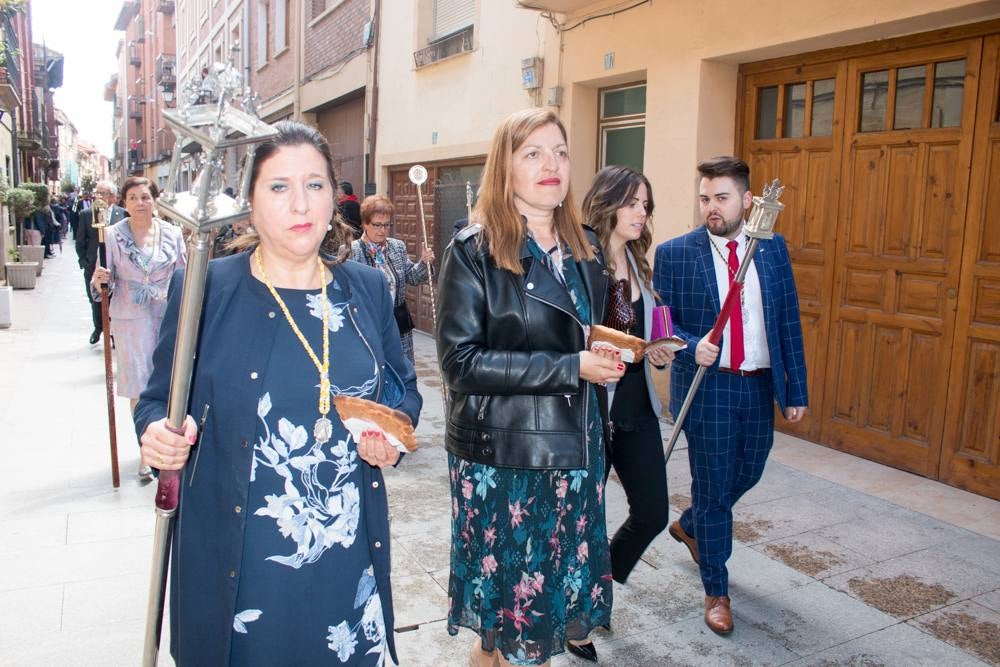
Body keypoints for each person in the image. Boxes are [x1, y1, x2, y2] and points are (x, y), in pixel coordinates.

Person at [133, 120, 421, 666]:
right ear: (250, 202)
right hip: (243, 563)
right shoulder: (205, 288)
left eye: (314, 185)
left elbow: (402, 389)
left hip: (345, 557)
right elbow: (156, 400)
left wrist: (393, 434)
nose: (300, 204)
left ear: (334, 198)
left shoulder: (366, 289)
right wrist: (155, 432)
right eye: (279, 187)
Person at [436, 108, 625, 667]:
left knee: (539, 610)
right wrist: (572, 366)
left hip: (577, 449)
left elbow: (578, 333)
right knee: (509, 618)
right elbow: (460, 364)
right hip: (507, 460)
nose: (552, 165)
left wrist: (607, 352)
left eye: (561, 152)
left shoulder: (584, 248)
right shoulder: (474, 251)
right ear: (506, 167)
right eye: (534, 153)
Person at [652, 156, 808, 635]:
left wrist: (795, 389)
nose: (711, 208)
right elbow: (661, 325)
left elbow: (787, 318)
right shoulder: (676, 253)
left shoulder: (772, 249)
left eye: (721, 198)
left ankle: (693, 523)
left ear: (747, 199)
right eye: (704, 198)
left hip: (758, 383)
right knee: (716, 487)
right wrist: (691, 345)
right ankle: (715, 587)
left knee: (751, 467)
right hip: (709, 387)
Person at [581, 165, 675, 584]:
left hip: (636, 407)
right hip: (590, 408)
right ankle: (581, 608)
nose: (642, 213)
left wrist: (656, 352)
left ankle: (604, 581)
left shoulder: (639, 263)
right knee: (582, 518)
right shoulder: (581, 262)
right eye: (632, 203)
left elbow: (641, 332)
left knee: (653, 512)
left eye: (645, 205)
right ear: (608, 203)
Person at [349, 194, 434, 364]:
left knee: (404, 370)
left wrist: (425, 263)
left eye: (387, 225)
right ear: (365, 223)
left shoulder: (397, 247)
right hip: (369, 324)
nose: (383, 230)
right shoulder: (353, 252)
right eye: (377, 225)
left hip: (398, 323)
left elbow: (413, 277)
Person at [77, 181, 128, 345]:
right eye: (97, 193)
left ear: (113, 197)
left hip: (116, 266)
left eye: (103, 193)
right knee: (95, 300)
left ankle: (113, 333)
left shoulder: (123, 214)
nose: (99, 196)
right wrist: (85, 262)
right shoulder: (86, 214)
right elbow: (80, 241)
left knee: (114, 299)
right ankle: (98, 328)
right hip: (93, 266)